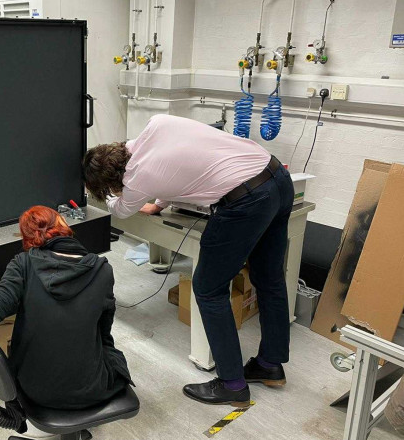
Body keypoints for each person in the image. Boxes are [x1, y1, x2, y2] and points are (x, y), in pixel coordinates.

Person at [82, 114, 294, 407]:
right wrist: (158, 203)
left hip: (245, 201)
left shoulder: (136, 177)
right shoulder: (157, 125)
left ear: (112, 182)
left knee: (208, 289)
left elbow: (121, 210)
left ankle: (232, 384)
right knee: (269, 279)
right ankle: (270, 364)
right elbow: (178, 166)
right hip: (277, 178)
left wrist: (104, 197)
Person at [0, 205, 133, 410]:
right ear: (62, 224)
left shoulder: (23, 264)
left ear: (28, 238)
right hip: (92, 389)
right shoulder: (103, 271)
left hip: (35, 390)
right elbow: (104, 334)